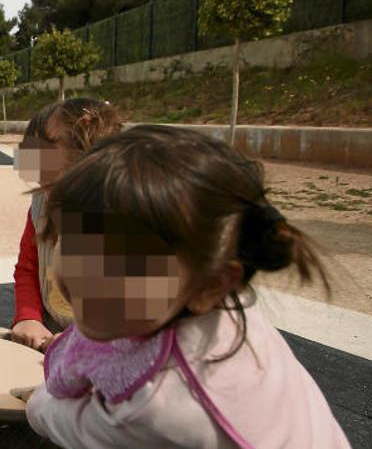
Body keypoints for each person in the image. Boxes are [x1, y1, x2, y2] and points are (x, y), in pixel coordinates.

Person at [25, 125, 348, 448]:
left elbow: (65, 422)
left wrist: (37, 402)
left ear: (213, 285)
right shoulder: (217, 299)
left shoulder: (158, 407)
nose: (87, 273)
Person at [11, 98, 123, 351]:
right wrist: (28, 316)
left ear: (84, 144)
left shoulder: (117, 215)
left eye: (45, 146)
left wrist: (81, 338)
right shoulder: (41, 205)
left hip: (103, 343)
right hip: (47, 330)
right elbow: (28, 268)